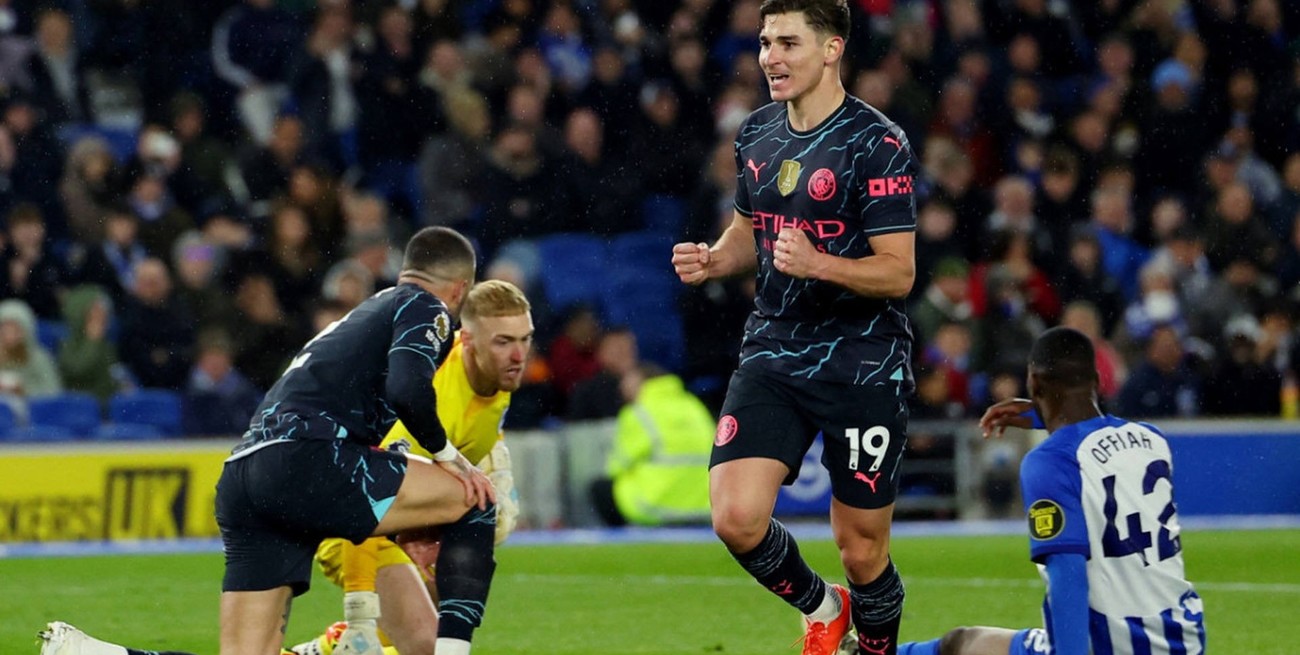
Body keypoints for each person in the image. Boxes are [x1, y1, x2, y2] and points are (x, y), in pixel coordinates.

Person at [39, 227, 497, 655]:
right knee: (474, 497)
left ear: (404, 270)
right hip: (310, 457)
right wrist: (450, 458)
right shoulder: (424, 306)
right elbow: (407, 390)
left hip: (246, 474)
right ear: (460, 289)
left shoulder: (365, 314)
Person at [670, 1, 917, 653]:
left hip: (863, 359)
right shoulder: (755, 134)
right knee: (736, 516)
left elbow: (898, 273)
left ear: (832, 49)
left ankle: (873, 647)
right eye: (763, 42)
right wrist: (717, 258)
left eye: (788, 43)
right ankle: (820, 606)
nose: (770, 57)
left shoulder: (877, 142)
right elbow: (753, 229)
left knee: (862, 550)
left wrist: (820, 263)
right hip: (775, 348)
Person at [897, 327, 1206, 655]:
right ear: (1097, 381)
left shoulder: (1050, 461)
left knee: (960, 644)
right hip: (1181, 639)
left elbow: (1068, 579)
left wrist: (1044, 414)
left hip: (1108, 645)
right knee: (961, 642)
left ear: (1034, 383)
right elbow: (1096, 435)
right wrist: (1042, 414)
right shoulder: (1151, 440)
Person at [292, 279, 534, 655]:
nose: (519, 355)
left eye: (525, 339)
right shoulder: (431, 393)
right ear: (466, 340)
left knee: (423, 621)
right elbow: (360, 493)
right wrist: (360, 607)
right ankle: (350, 637)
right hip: (347, 524)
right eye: (504, 342)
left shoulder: (496, 379)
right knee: (425, 642)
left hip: (396, 515)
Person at [589, 363, 714, 527]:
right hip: (703, 507)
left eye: (627, 379)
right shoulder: (694, 406)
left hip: (654, 506)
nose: (622, 387)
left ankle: (623, 541)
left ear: (641, 381)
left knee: (600, 488)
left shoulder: (638, 413)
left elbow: (616, 467)